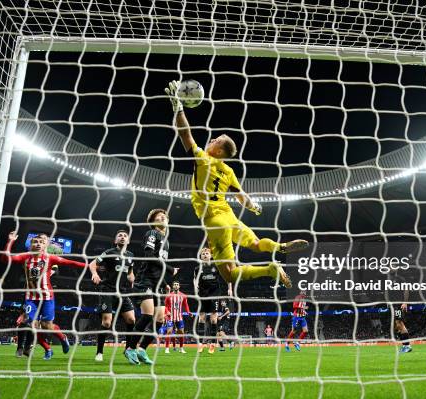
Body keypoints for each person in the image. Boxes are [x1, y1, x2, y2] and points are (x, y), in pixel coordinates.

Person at [165, 80, 308, 288]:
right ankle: (280, 246)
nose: (212, 139)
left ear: (219, 151)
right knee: (257, 244)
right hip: (229, 216)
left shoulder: (203, 158)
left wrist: (178, 108)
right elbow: (242, 198)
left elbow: (185, 133)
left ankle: (270, 269)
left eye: (216, 140)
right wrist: (256, 207)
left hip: (215, 221)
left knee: (230, 275)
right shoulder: (229, 171)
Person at [1, 231, 86, 359]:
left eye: (42, 241)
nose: (39, 243)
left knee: (46, 325)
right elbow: (4, 259)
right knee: (31, 324)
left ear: (46, 244)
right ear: (30, 245)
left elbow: (70, 263)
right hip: (30, 297)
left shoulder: (50, 258)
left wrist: (89, 266)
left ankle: (63, 338)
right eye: (36, 241)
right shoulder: (25, 257)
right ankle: (46, 349)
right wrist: (10, 241)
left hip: (47, 297)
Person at [124, 209, 178, 365]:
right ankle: (130, 348)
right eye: (158, 217)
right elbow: (149, 257)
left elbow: (158, 266)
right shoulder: (152, 234)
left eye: (164, 216)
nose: (162, 218)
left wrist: (165, 283)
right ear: (153, 222)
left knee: (160, 319)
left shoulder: (166, 240)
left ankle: (142, 350)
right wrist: (171, 269)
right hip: (145, 280)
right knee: (147, 315)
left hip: (158, 283)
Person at [89, 229, 136, 362]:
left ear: (128, 240)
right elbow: (92, 263)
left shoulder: (130, 256)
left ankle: (128, 350)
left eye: (125, 236)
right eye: (119, 235)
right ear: (115, 240)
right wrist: (95, 274)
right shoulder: (109, 253)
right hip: (108, 290)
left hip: (122, 292)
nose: (122, 237)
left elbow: (130, 273)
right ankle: (99, 352)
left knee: (131, 320)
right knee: (107, 322)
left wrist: (134, 281)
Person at [194, 247, 230, 352]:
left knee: (213, 319)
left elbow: (227, 276)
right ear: (201, 256)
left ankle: (213, 344)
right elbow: (195, 281)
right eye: (203, 253)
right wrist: (195, 291)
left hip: (214, 295)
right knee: (201, 318)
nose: (205, 255)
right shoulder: (197, 268)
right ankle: (200, 344)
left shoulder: (216, 266)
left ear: (211, 256)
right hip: (202, 295)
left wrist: (229, 288)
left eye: (207, 253)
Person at [164, 281, 192, 354]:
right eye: (174, 285)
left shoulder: (183, 295)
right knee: (169, 331)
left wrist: (188, 312)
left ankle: (181, 348)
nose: (176, 286)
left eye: (177, 285)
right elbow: (165, 305)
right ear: (173, 286)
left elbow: (186, 305)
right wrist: (167, 312)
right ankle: (167, 348)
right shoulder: (169, 295)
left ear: (179, 286)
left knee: (181, 332)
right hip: (170, 316)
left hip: (179, 316)